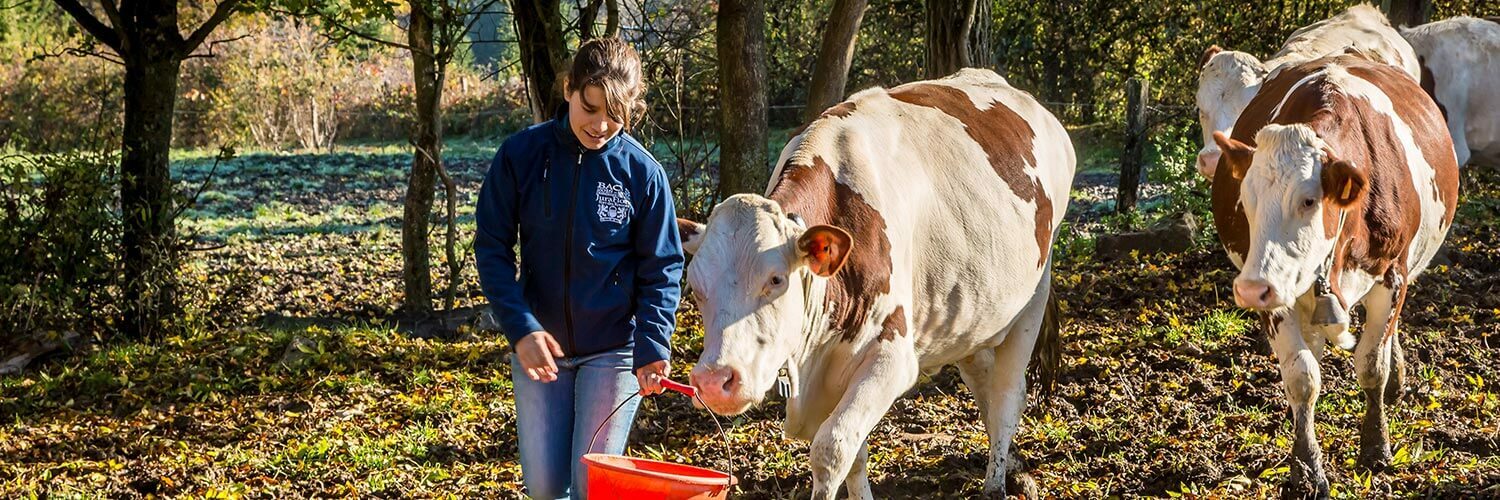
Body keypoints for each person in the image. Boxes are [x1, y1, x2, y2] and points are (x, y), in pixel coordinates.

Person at [473, 37, 683, 500]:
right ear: (569, 88)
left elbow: (662, 267)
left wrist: (652, 344)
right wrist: (520, 328)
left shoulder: (643, 174)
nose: (601, 125)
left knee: (594, 489)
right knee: (546, 489)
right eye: (590, 108)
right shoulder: (520, 156)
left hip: (613, 351)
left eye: (615, 115)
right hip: (539, 350)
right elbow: (491, 248)